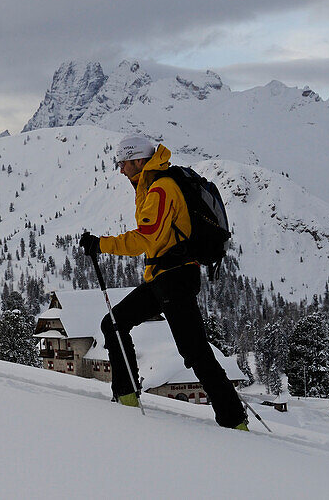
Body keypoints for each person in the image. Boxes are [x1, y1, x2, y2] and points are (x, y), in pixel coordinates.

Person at [79, 134, 247, 429]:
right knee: (114, 324)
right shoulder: (152, 186)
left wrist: (101, 245)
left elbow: (146, 238)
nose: (120, 169)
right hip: (163, 277)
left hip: (175, 277)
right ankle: (126, 396)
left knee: (194, 351)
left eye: (124, 163)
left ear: (139, 161)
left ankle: (234, 421)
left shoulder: (161, 189)